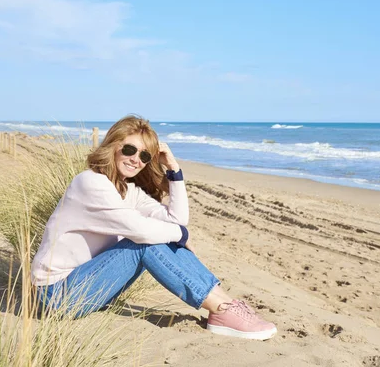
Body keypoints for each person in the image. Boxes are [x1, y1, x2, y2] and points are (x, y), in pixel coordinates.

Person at [31, 115, 277, 340]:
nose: (136, 159)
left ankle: (226, 304)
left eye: (144, 156)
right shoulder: (90, 183)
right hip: (57, 296)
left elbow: (176, 221)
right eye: (129, 149)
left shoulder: (129, 191)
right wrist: (181, 235)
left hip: (87, 285)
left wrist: (174, 170)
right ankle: (220, 309)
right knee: (145, 242)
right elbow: (146, 233)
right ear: (112, 146)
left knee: (159, 234)